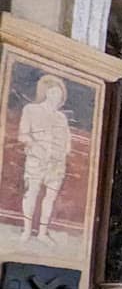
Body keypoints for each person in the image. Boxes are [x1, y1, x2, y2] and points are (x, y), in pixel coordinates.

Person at [17, 75, 71, 242]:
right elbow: (23, 135)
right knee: (31, 193)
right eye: (54, 92)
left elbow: (67, 141)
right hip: (36, 159)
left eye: (59, 93)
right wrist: (36, 147)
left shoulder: (62, 117)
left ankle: (42, 233)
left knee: (50, 198)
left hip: (56, 163)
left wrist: (62, 153)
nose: (57, 96)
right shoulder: (31, 110)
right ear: (46, 92)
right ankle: (26, 232)